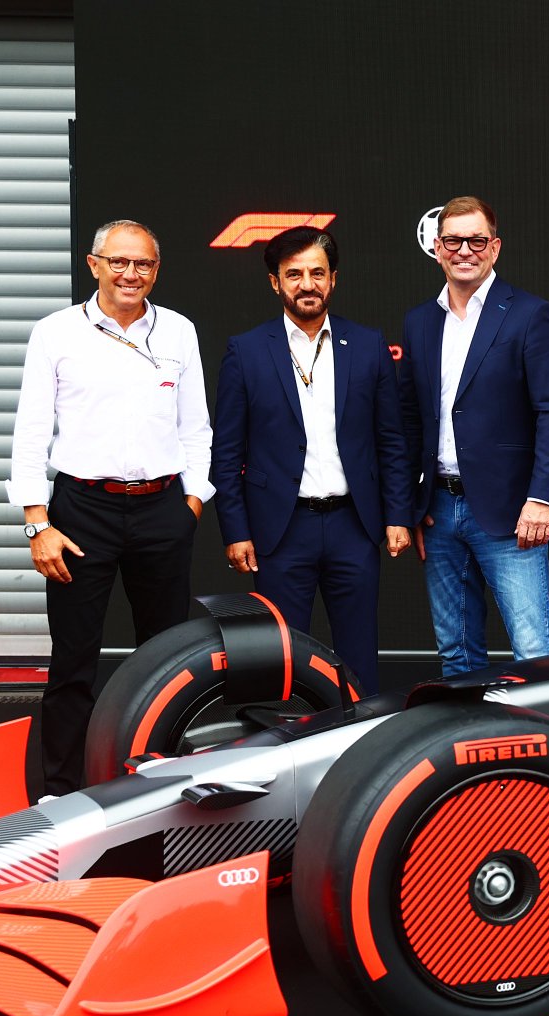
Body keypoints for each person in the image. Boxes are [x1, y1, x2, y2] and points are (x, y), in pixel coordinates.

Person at [8, 220, 212, 794]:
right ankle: (59, 792)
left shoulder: (178, 332)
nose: (130, 274)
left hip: (162, 508)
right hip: (81, 512)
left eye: (143, 264)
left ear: (156, 270)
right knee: (73, 662)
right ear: (93, 265)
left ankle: (160, 784)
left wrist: (192, 503)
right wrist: (37, 525)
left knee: (167, 662)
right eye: (118, 262)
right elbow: (30, 433)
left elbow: (196, 428)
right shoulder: (55, 333)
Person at [210, 226, 412, 696]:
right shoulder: (246, 350)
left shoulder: (367, 344)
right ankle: (283, 737)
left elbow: (391, 440)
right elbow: (227, 452)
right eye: (294, 274)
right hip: (280, 530)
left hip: (353, 526)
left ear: (333, 279)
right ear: (275, 282)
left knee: (358, 656)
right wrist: (236, 530)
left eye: (317, 273)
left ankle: (361, 735)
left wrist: (398, 515)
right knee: (281, 657)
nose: (307, 284)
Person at [400, 196, 549, 676]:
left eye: (477, 241)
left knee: (535, 650)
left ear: (495, 248)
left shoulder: (530, 314)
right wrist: (411, 505)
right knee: (455, 654)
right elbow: (410, 419)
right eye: (453, 241)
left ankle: (544, 731)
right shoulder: (419, 321)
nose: (465, 251)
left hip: (512, 511)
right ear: (437, 248)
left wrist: (542, 498)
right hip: (437, 511)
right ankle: (467, 729)